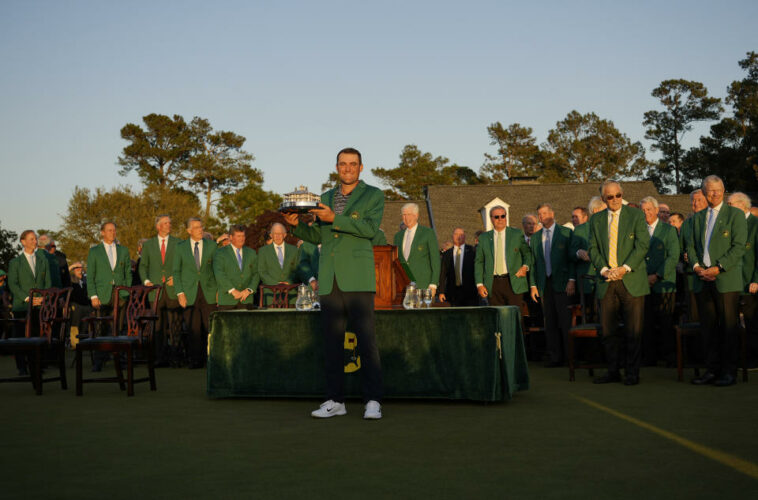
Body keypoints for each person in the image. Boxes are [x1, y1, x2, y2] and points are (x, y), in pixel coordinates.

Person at [285, 147, 384, 420]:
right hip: (329, 279)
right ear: (336, 167)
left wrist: (334, 219)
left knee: (366, 341)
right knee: (331, 343)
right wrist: (294, 226)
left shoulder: (374, 195)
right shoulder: (324, 197)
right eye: (343, 164)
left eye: (353, 164)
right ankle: (335, 400)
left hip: (358, 277)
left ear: (361, 167)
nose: (348, 168)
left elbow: (369, 229)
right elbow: (318, 234)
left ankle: (373, 400)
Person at [687, 176, 746, 387]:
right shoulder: (697, 217)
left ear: (724, 190)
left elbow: (739, 246)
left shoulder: (735, 215)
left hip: (726, 280)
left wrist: (718, 268)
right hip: (702, 280)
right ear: (703, 192)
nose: (715, 194)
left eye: (719, 189)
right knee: (708, 329)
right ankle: (711, 370)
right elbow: (691, 246)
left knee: (728, 328)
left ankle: (729, 372)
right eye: (710, 190)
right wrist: (696, 267)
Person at [588, 180, 649, 385]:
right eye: (610, 197)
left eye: (618, 195)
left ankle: (632, 373)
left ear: (622, 194)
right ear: (603, 198)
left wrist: (624, 268)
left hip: (631, 279)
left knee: (633, 331)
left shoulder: (636, 215)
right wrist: (605, 270)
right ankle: (613, 371)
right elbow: (593, 248)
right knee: (608, 331)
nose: (614, 200)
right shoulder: (595, 220)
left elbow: (642, 246)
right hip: (606, 281)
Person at [529, 204, 575, 366]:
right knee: (550, 322)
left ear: (552, 214)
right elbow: (533, 263)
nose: (542, 217)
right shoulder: (535, 237)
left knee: (565, 321)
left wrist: (571, 280)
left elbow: (571, 260)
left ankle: (571, 357)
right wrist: (533, 285)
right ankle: (555, 357)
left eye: (545, 213)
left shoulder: (565, 232)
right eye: (539, 214)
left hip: (563, 283)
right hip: (544, 284)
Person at [173, 217, 218, 369]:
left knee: (210, 327)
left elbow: (216, 270)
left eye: (201, 227)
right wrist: (180, 293)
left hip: (209, 292)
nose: (201, 230)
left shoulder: (212, 246)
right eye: (197, 227)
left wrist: (218, 291)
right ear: (188, 230)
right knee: (193, 328)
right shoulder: (180, 247)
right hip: (189, 293)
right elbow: (176, 271)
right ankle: (195, 360)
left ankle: (211, 359)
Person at [86, 222, 132, 371]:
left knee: (119, 327)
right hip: (101, 295)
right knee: (100, 328)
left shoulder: (123, 250)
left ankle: (122, 361)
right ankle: (99, 362)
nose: (113, 233)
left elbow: (128, 274)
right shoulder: (94, 251)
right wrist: (93, 295)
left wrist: (126, 291)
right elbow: (90, 276)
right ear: (102, 233)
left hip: (120, 294)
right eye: (109, 230)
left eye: (114, 230)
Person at [640, 196, 679, 366]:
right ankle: (649, 357)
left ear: (656, 210)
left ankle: (669, 357)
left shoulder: (668, 230)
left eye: (649, 209)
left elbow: (673, 256)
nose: (646, 213)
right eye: (643, 210)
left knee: (666, 323)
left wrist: (657, 275)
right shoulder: (638, 229)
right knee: (646, 323)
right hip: (642, 285)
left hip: (664, 284)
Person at [7, 230, 52, 375]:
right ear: (23, 242)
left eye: (35, 239)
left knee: (37, 336)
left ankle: (36, 365)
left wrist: (44, 298)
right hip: (22, 306)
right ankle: (22, 367)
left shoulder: (43, 261)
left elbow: (48, 283)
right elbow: (13, 284)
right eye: (31, 239)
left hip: (40, 306)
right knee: (20, 338)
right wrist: (28, 298)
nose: (35, 241)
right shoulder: (15, 262)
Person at [139, 215, 182, 367]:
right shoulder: (149, 245)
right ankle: (159, 357)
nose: (169, 225)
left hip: (172, 290)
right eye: (165, 223)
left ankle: (176, 357)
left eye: (170, 222)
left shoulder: (179, 243)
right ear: (158, 226)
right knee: (157, 326)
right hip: (154, 291)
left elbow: (184, 265)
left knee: (175, 324)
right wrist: (146, 281)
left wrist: (177, 279)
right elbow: (143, 266)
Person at [474, 206, 532, 306]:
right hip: (492, 284)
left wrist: (525, 267)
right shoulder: (484, 238)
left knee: (515, 317)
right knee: (498, 317)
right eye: (496, 217)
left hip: (514, 281)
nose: (500, 219)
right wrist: (479, 284)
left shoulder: (517, 234)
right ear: (491, 218)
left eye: (503, 216)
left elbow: (527, 254)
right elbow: (479, 262)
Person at [727, 192, 758, 367]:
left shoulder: (755, 225)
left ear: (743, 205)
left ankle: (753, 359)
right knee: (734, 324)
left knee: (752, 322)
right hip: (732, 283)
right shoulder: (732, 226)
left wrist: (756, 279)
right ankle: (739, 356)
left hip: (749, 283)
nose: (728, 208)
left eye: (731, 205)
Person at [393, 203, 440, 293]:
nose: (406, 218)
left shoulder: (428, 233)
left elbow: (435, 260)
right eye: (404, 215)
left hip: (423, 285)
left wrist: (433, 284)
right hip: (403, 286)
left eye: (409, 214)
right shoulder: (398, 236)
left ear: (416, 215)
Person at [213, 225, 259, 310]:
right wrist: (233, 291)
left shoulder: (251, 253)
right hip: (227, 300)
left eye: (243, 236)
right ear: (231, 237)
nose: (241, 239)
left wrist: (249, 290)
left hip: (246, 300)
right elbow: (219, 274)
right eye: (238, 236)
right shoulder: (220, 253)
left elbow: (256, 273)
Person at [258, 222, 300, 305]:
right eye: (275, 234)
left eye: (280, 234)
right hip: (271, 295)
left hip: (290, 294)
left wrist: (288, 282)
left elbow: (297, 269)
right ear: (271, 235)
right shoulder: (263, 251)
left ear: (284, 235)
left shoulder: (294, 250)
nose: (277, 236)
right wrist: (276, 284)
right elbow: (262, 272)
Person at [438, 228, 478, 306]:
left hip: (470, 293)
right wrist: (441, 292)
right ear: (452, 236)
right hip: (452, 293)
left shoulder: (473, 251)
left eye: (461, 235)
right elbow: (442, 274)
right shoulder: (447, 254)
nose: (458, 237)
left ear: (465, 237)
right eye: (456, 234)